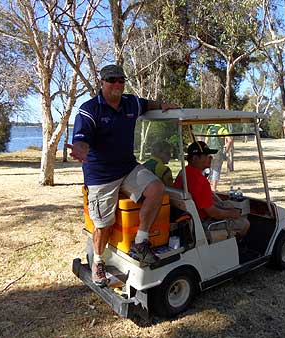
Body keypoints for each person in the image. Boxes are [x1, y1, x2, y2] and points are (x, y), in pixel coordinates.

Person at [66, 64, 178, 287]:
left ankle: (140, 243)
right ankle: (98, 262)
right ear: (102, 82)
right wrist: (80, 148)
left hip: (127, 168)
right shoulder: (90, 109)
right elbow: (81, 137)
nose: (117, 84)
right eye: (111, 80)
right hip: (101, 175)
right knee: (104, 225)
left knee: (157, 188)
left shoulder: (131, 103)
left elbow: (147, 104)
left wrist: (163, 105)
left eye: (120, 80)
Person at [173, 141, 250, 244]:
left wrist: (227, 209)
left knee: (228, 205)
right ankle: (237, 245)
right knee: (244, 223)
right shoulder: (200, 181)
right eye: (206, 155)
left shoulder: (184, 172)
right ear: (195, 158)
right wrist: (231, 214)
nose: (211, 158)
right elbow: (213, 213)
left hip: (188, 220)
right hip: (202, 223)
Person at [206, 124, 233, 191]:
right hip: (218, 153)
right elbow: (229, 140)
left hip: (209, 152)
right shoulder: (223, 129)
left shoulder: (210, 129)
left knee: (209, 169)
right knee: (216, 169)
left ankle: (207, 187)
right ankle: (213, 188)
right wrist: (226, 150)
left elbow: (206, 141)